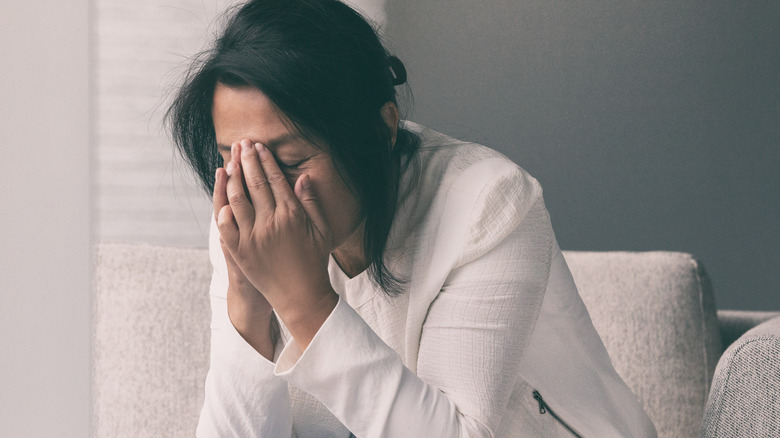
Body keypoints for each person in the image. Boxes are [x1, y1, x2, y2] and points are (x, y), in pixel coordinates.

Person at [167, 0, 657, 436]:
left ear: (382, 130)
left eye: (290, 162)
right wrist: (248, 307)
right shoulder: (242, 209)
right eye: (235, 157)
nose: (259, 187)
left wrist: (304, 302)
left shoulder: (488, 203)